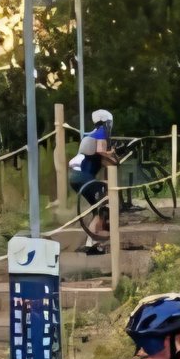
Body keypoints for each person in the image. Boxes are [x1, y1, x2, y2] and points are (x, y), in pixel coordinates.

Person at [68, 108, 118, 255]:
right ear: (106, 123)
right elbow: (102, 152)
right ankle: (94, 242)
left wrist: (113, 160)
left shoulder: (89, 135)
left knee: (98, 207)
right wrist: (113, 153)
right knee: (103, 206)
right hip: (84, 177)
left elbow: (100, 160)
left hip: (75, 177)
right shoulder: (101, 133)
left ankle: (92, 242)